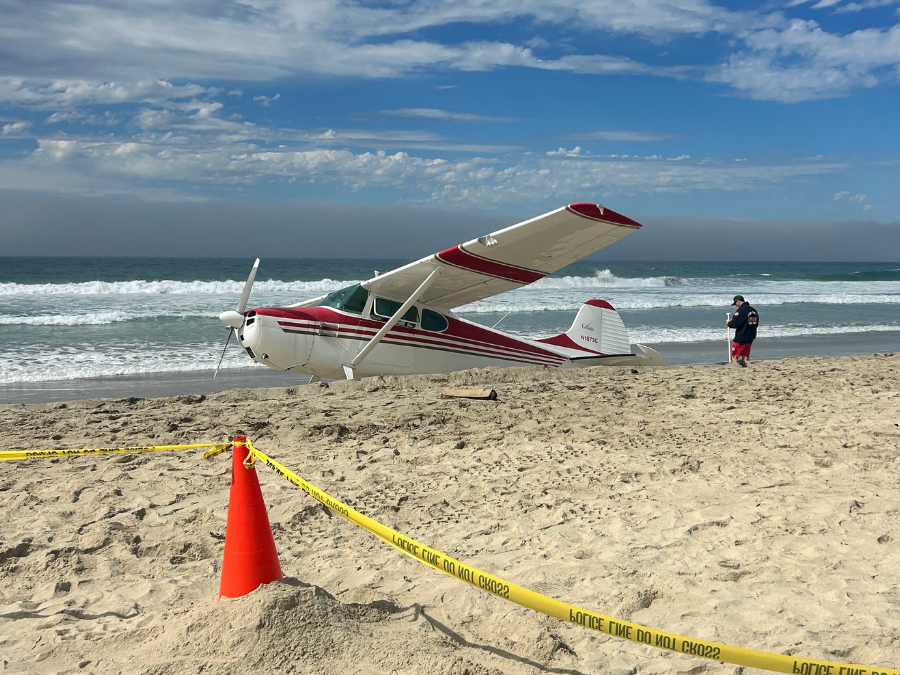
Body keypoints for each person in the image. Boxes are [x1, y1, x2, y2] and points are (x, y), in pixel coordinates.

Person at [726, 295, 758, 367]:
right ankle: (746, 367)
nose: (736, 306)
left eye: (736, 303)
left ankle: (735, 367)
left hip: (741, 336)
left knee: (734, 355)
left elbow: (735, 323)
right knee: (745, 355)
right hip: (751, 335)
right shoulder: (753, 310)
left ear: (738, 301)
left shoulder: (741, 310)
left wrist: (729, 323)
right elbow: (756, 323)